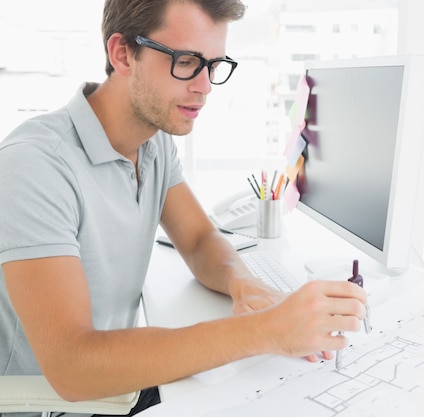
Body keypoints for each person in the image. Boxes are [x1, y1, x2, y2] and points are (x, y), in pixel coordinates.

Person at [0, 0, 368, 415]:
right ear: (122, 53)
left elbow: (197, 238)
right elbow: (72, 367)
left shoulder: (154, 143)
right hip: (58, 404)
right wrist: (267, 330)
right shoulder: (33, 164)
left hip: (116, 386)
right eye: (188, 61)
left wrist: (241, 283)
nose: (205, 86)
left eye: (213, 64)